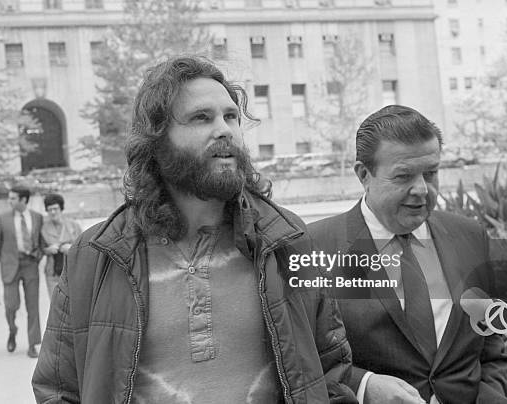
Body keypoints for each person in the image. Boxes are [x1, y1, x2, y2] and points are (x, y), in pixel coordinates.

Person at [32, 55, 357, 403]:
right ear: (156, 141)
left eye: (231, 117)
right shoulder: (97, 255)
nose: (224, 130)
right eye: (202, 117)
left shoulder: (286, 240)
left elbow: (332, 371)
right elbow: (58, 389)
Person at [308, 105, 507, 404]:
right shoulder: (315, 247)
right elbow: (301, 358)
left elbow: (490, 345)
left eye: (431, 173)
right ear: (364, 174)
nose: (422, 190)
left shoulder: (470, 236)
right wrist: (364, 386)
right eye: (403, 176)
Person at [0, 185, 44, 359]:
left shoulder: (37, 218)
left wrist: (38, 254)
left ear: (23, 200)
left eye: (12, 198)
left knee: (32, 306)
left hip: (30, 265)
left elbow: (42, 241)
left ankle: (32, 344)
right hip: (10, 265)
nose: (9, 201)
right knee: (11, 305)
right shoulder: (2, 218)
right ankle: (12, 330)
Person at [41, 193, 82, 297]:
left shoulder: (74, 225)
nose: (53, 212)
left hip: (72, 272)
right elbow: (39, 249)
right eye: (49, 210)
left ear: (61, 208)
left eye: (55, 209)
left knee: (73, 304)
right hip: (52, 274)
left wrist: (71, 249)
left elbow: (85, 248)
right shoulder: (43, 228)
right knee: (55, 305)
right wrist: (48, 250)